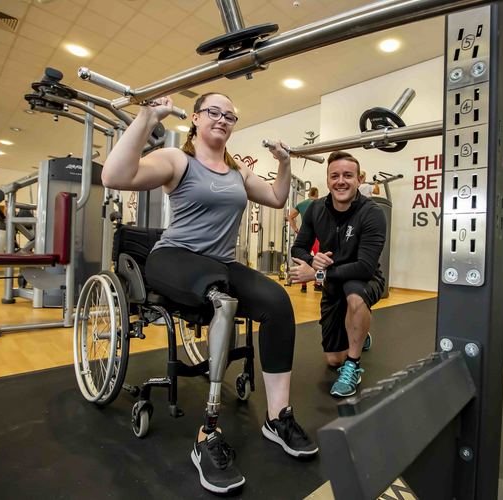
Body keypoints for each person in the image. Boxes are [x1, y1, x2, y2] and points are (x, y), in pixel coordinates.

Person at [102, 92, 317, 494]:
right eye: (214, 112)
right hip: (174, 258)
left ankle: (278, 416)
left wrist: (285, 164)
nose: (222, 119)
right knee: (220, 297)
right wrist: (147, 117)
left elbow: (276, 198)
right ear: (196, 119)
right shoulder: (177, 161)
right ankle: (208, 434)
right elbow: (114, 176)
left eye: (230, 115)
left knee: (277, 303)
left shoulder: (237, 172)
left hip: (220, 264)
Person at [289, 151, 386, 397]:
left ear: (359, 178)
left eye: (347, 175)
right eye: (335, 176)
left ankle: (353, 364)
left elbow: (364, 267)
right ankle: (359, 335)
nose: (340, 181)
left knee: (354, 295)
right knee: (333, 360)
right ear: (328, 179)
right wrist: (312, 261)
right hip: (333, 283)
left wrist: (316, 275)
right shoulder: (315, 209)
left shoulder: (372, 213)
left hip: (364, 279)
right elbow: (298, 247)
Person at [286, 187, 320, 292]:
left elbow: (290, 217)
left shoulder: (302, 204)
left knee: (303, 260)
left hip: (304, 235)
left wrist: (295, 228)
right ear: (317, 195)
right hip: (317, 235)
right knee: (319, 259)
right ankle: (318, 284)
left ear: (309, 194)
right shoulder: (320, 203)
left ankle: (303, 286)